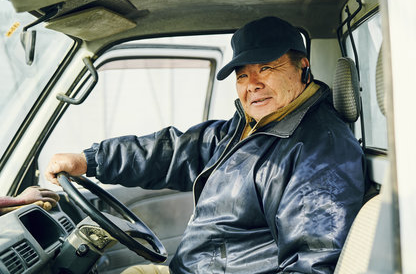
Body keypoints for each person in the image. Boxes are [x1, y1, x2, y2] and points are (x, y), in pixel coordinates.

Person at [46, 16, 365, 274]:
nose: (252, 84)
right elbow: (174, 151)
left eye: (266, 68)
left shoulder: (320, 153)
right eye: (242, 75)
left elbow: (312, 263)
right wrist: (91, 160)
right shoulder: (250, 127)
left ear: (303, 68)